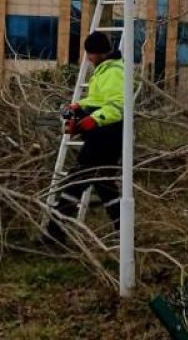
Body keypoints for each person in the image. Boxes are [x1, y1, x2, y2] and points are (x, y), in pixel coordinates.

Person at [46, 31, 125, 243]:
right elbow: (96, 100)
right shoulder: (104, 70)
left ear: (99, 53)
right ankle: (125, 234)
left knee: (76, 181)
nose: (88, 58)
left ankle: (55, 233)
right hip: (102, 136)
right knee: (105, 186)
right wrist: (77, 108)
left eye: (90, 54)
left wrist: (91, 121)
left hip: (106, 136)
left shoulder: (115, 73)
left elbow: (116, 107)